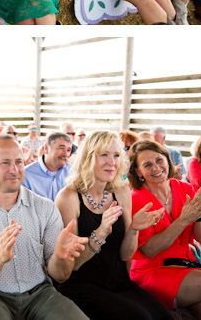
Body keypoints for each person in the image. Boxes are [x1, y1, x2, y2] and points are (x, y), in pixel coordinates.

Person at [0, 134, 89, 320]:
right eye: (4, 163)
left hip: (39, 294)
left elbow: (60, 276)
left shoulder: (45, 208)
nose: (14, 169)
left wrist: (61, 257)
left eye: (19, 162)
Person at [54, 130, 170, 320]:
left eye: (116, 155)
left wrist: (133, 230)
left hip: (117, 281)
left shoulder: (122, 191)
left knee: (164, 316)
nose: (112, 162)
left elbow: (125, 255)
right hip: (81, 285)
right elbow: (73, 265)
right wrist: (100, 233)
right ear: (88, 158)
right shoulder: (68, 198)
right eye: (104, 155)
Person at [127, 140, 201, 320]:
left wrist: (198, 215)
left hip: (186, 267)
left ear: (168, 161)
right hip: (151, 273)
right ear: (138, 172)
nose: (156, 168)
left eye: (159, 160)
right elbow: (149, 250)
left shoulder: (185, 188)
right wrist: (184, 219)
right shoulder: (135, 199)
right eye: (147, 165)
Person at [23, 132, 73, 201]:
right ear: (46, 148)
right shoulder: (26, 175)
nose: (66, 154)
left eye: (68, 150)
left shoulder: (73, 172)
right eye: (61, 148)